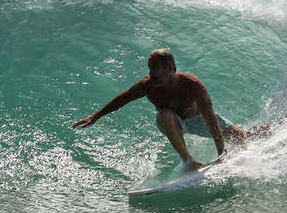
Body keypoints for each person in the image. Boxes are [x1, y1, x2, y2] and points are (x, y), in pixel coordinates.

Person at [72, 49, 265, 171]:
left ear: (170, 68)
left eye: (154, 69)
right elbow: (122, 99)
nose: (150, 74)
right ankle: (188, 162)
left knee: (243, 138)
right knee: (164, 114)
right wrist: (96, 116)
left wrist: (221, 154)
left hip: (198, 119)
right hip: (171, 121)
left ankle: (258, 132)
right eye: (149, 68)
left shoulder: (192, 85)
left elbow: (210, 118)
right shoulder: (147, 85)